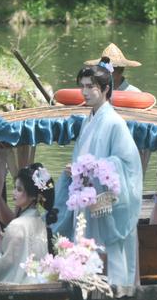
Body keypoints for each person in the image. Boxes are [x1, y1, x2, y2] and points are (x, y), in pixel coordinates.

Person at [54, 57, 143, 287]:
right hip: (86, 198)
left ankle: (117, 293)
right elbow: (82, 156)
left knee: (110, 250)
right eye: (82, 86)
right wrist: (76, 171)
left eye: (90, 87)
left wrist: (94, 168)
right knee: (84, 245)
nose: (84, 92)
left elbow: (127, 163)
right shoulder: (88, 120)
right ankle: (85, 289)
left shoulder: (114, 122)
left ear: (105, 89)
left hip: (105, 202)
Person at [0, 163, 55, 285]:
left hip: (19, 289)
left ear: (33, 196)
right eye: (14, 188)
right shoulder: (39, 220)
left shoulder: (18, 225)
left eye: (19, 189)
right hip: (39, 282)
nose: (14, 192)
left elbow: (4, 266)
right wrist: (9, 238)